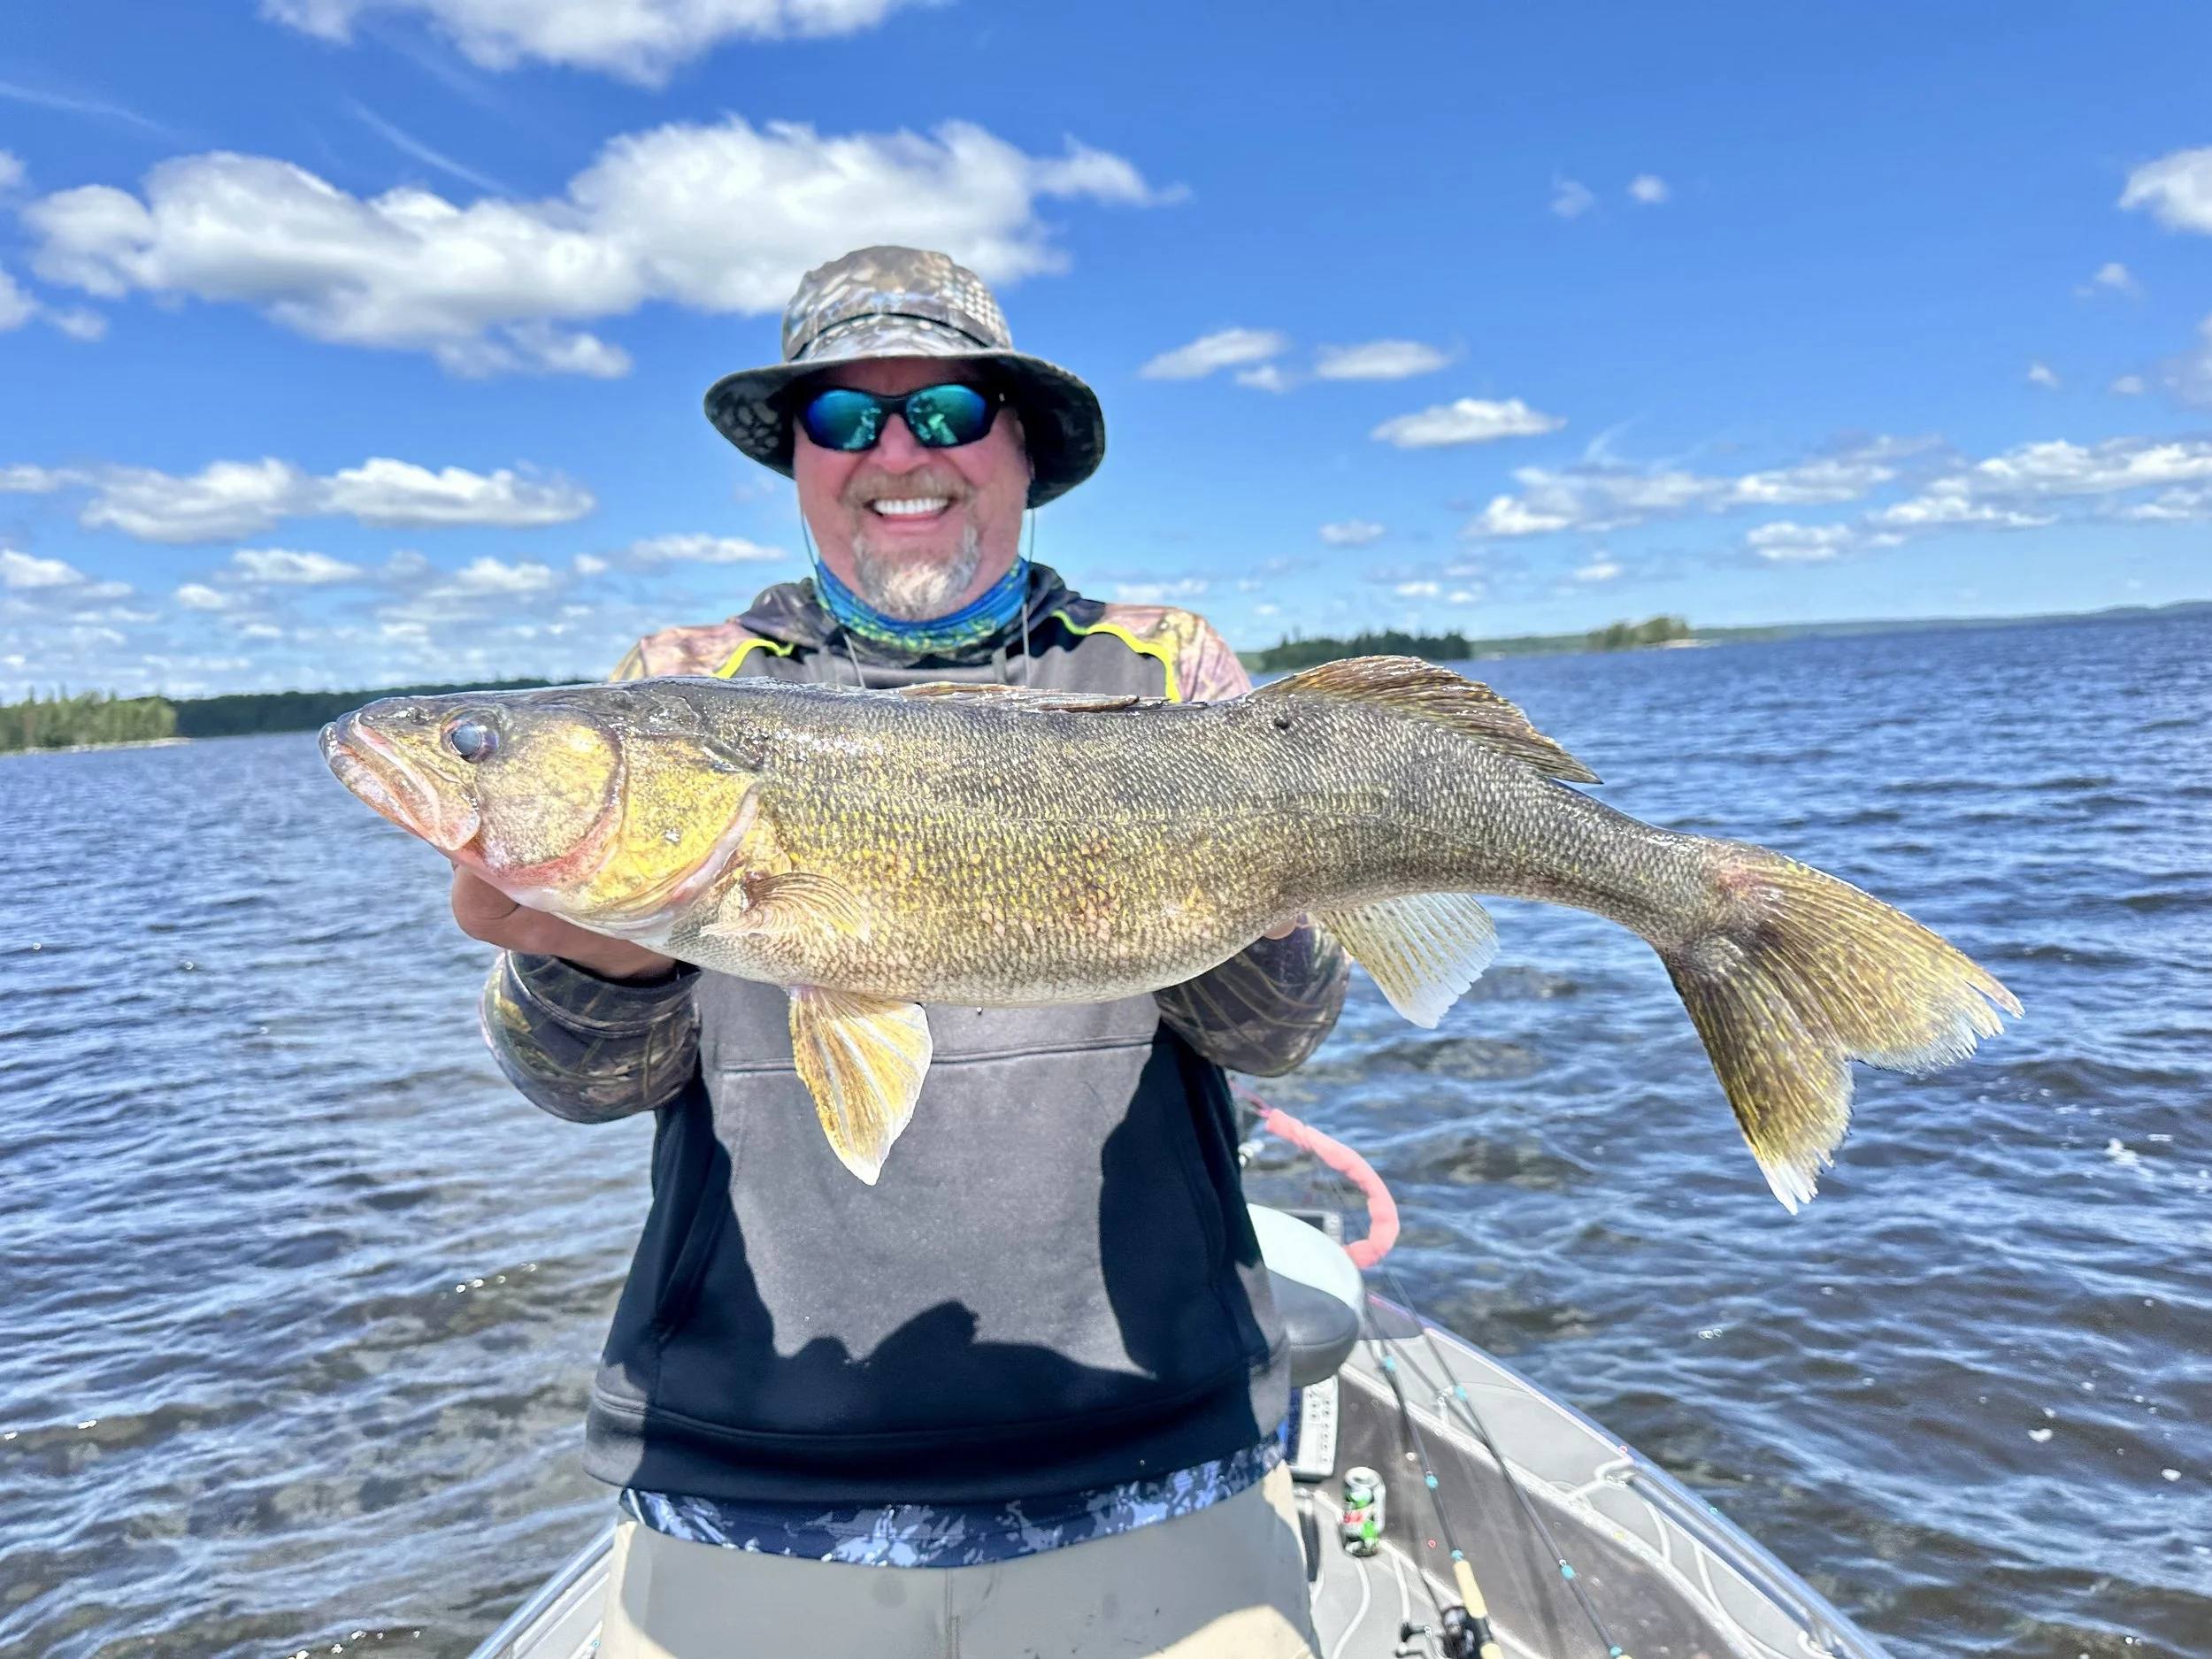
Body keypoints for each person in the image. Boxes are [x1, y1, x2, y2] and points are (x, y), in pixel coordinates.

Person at [454, 246, 1349, 1657]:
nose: (895, 453)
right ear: (798, 462)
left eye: (944, 412)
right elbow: (575, 1083)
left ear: (1021, 445)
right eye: (840, 418)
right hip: (750, 1483)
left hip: (1154, 1470)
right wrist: (595, 965)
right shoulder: (678, 691)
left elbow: (1279, 1033)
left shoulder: (1169, 673)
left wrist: (1234, 896)